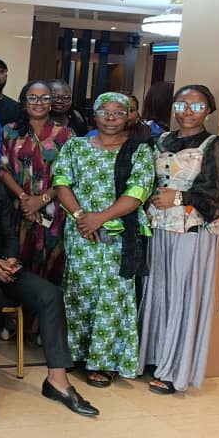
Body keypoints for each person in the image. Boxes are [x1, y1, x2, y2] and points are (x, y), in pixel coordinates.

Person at [0, 133, 99, 421]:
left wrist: (11, 258)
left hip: (1, 263)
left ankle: (57, 381)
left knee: (50, 294)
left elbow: (10, 232)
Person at [139, 85, 219, 394]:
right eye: (181, 104)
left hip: (192, 229)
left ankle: (175, 369)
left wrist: (180, 196)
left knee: (184, 295)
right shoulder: (158, 141)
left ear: (208, 110)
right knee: (157, 290)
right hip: (157, 227)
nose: (187, 111)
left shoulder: (218, 145)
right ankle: (155, 357)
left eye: (196, 106)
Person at [53, 93, 154, 387]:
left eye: (118, 112)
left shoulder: (139, 151)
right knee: (78, 291)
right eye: (104, 111)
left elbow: (138, 192)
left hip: (118, 235)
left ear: (129, 116)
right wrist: (81, 216)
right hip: (81, 232)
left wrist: (100, 218)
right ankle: (74, 352)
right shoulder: (75, 146)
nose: (110, 118)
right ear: (94, 114)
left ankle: (104, 360)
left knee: (112, 297)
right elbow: (61, 182)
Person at [0, 81, 74, 284]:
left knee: (50, 268)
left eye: (44, 98)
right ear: (24, 102)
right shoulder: (9, 131)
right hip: (18, 208)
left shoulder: (66, 135)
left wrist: (42, 200)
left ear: (50, 102)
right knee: (16, 265)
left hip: (53, 211)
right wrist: (24, 198)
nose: (38, 102)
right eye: (33, 98)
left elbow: (69, 174)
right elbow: (2, 169)